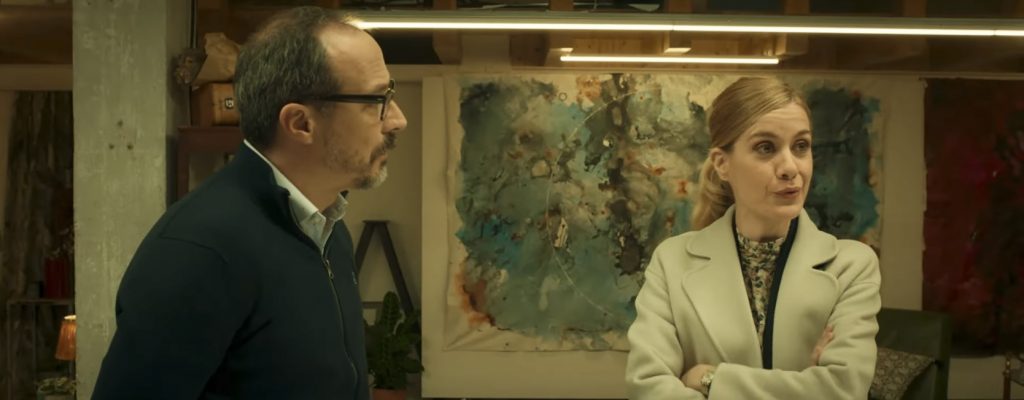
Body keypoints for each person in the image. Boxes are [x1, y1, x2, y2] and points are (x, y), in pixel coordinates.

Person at [93, 6, 407, 399]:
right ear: (300, 123)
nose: (398, 120)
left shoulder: (327, 230)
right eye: (376, 101)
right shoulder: (202, 249)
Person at [625, 77, 880, 399]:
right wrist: (803, 386)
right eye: (766, 148)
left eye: (801, 146)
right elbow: (647, 387)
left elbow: (842, 390)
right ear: (722, 164)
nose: (790, 168)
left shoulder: (851, 266)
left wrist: (710, 380)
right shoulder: (671, 262)